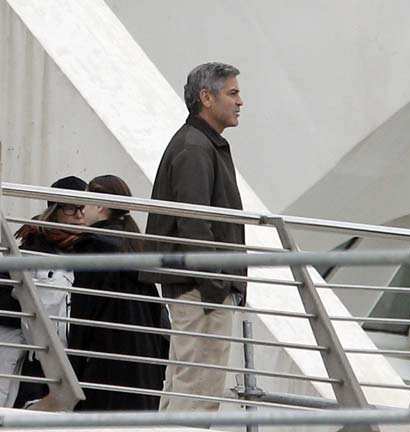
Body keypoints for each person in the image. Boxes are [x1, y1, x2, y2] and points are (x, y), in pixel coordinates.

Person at [140, 62, 247, 411]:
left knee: (185, 389)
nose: (240, 102)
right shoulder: (196, 148)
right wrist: (216, 285)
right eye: (232, 93)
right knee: (198, 396)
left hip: (196, 286)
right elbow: (194, 224)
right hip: (201, 290)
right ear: (206, 97)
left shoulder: (198, 144)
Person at [65, 175, 168, 410]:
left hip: (105, 371)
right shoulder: (134, 247)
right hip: (143, 373)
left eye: (85, 202)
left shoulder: (94, 249)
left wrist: (73, 374)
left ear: (100, 206)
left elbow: (83, 317)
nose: (82, 210)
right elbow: (158, 315)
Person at [1, 176, 87, 408]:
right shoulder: (32, 249)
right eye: (70, 208)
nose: (79, 215)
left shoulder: (95, 250)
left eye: (83, 207)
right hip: (35, 358)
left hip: (78, 358)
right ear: (55, 211)